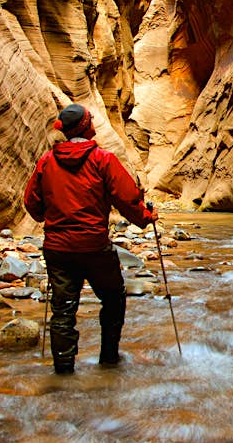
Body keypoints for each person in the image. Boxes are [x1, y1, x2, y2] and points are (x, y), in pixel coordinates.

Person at [23, 103, 158, 374]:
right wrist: (145, 217)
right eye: (91, 120)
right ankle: (109, 359)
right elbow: (127, 198)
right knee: (113, 298)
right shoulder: (103, 160)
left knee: (62, 309)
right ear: (86, 127)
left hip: (58, 249)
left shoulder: (46, 162)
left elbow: (32, 202)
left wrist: (45, 217)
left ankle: (63, 371)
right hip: (94, 247)